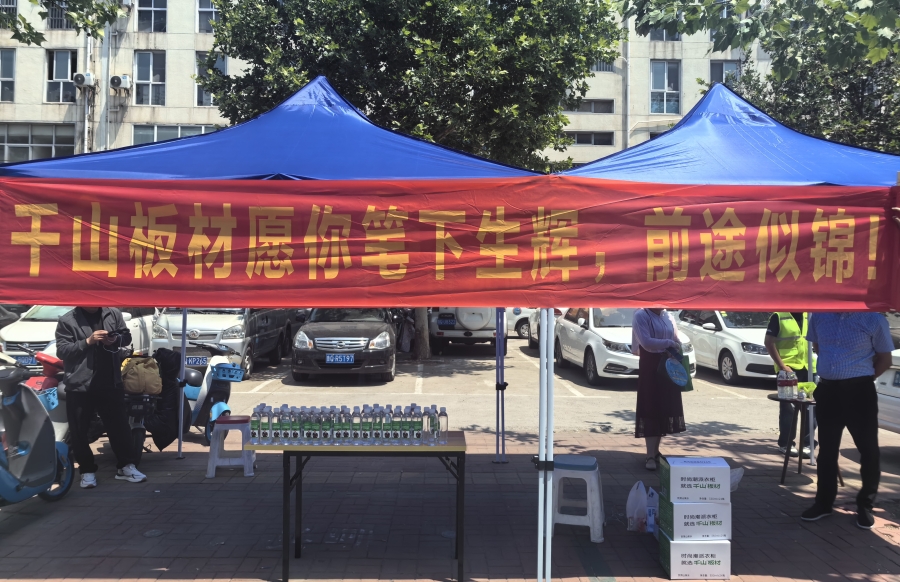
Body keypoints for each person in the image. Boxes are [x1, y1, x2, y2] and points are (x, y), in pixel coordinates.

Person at [801, 312, 892, 529]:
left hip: (859, 391)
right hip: (828, 390)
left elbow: (885, 359)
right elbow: (818, 347)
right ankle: (823, 503)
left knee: (868, 450)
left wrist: (863, 378)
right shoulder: (820, 317)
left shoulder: (874, 319)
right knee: (827, 451)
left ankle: (865, 505)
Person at [56, 306, 147, 488]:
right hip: (80, 385)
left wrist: (115, 339)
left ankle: (126, 466)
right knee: (79, 431)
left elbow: (126, 337)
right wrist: (87, 341)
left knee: (119, 427)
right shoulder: (67, 320)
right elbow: (62, 351)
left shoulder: (112, 313)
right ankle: (87, 471)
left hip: (110, 382)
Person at [632, 308, 686, 470]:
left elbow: (676, 338)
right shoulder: (641, 315)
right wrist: (669, 344)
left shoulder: (668, 316)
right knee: (651, 406)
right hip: (651, 365)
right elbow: (646, 342)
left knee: (663, 407)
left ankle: (656, 451)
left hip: (668, 364)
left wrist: (676, 346)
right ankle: (649, 454)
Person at [764, 312, 815, 458]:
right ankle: (786, 444)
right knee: (789, 408)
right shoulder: (779, 316)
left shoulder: (809, 315)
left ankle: (807, 444)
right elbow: (769, 342)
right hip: (788, 369)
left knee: (811, 407)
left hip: (809, 367)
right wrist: (782, 366)